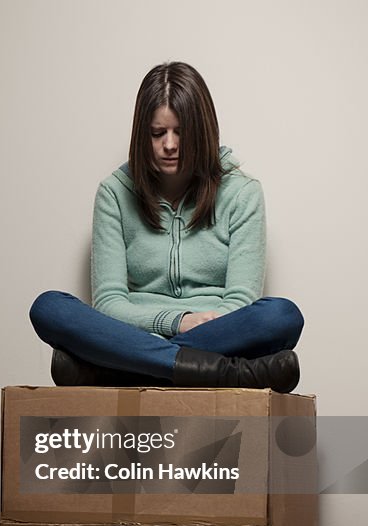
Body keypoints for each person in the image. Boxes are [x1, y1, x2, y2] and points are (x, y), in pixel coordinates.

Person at [29, 62, 303, 392]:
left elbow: (240, 303)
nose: (169, 145)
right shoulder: (114, 194)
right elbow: (109, 302)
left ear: (202, 131)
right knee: (48, 308)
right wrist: (175, 322)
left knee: (282, 316)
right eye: (158, 133)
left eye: (180, 133)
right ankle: (220, 372)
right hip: (133, 331)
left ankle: (122, 371)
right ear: (141, 135)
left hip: (213, 333)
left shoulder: (243, 192)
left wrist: (188, 329)